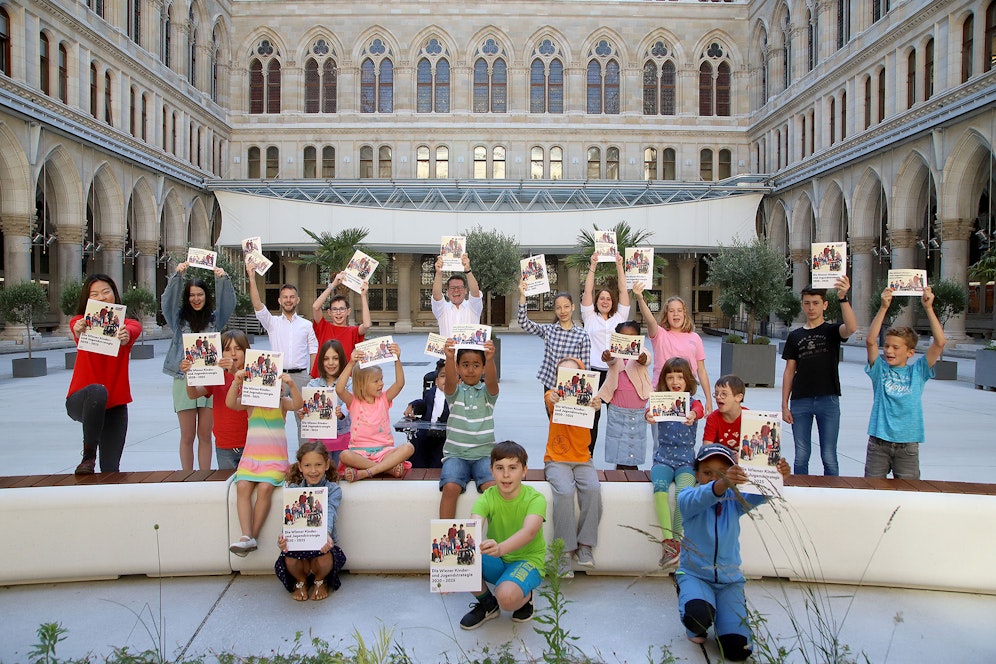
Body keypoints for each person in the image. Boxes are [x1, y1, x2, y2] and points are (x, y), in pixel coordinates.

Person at [676, 444, 791, 660]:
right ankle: (695, 624)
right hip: (696, 576)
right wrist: (722, 483)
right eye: (706, 473)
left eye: (721, 473)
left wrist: (779, 475)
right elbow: (699, 498)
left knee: (738, 650)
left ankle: (721, 616)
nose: (712, 478)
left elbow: (764, 492)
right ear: (696, 474)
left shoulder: (734, 502)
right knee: (699, 615)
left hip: (730, 582)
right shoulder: (688, 498)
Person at [458, 441, 546, 630]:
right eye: (500, 468)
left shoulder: (535, 498)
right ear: (491, 470)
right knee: (461, 557)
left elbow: (529, 532)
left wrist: (500, 548)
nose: (506, 475)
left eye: (513, 468)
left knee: (506, 597)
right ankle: (488, 605)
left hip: (526, 561)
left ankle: (526, 597)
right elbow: (471, 529)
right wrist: (448, 573)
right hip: (497, 559)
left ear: (524, 471)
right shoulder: (487, 497)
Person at [864, 286, 945, 480]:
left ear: (910, 352)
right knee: (871, 492)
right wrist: (884, 307)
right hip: (879, 443)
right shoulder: (880, 370)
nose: (889, 351)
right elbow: (870, 342)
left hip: (907, 445)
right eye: (887, 346)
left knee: (908, 494)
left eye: (895, 347)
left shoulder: (918, 371)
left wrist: (928, 308)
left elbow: (940, 343)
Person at [66, 275, 144, 474]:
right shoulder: (80, 322)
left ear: (114, 294)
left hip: (115, 406)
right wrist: (78, 329)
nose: (101, 297)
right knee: (97, 391)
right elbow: (76, 327)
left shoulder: (127, 325)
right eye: (95, 294)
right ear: (88, 299)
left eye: (105, 292)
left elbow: (134, 329)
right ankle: (88, 456)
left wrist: (126, 336)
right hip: (81, 400)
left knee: (111, 469)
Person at [162, 262, 236, 470]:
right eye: (192, 295)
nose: (196, 299)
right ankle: (187, 476)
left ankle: (204, 476)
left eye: (200, 294)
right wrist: (177, 276)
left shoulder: (214, 319)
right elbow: (167, 302)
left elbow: (228, 304)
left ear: (206, 296)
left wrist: (222, 279)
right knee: (187, 435)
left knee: (205, 434)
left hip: (209, 379)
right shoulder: (177, 319)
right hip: (182, 378)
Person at [225, 358, 303, 555]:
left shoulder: (282, 403)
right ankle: (246, 535)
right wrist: (236, 381)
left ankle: (252, 536)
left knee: (265, 488)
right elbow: (230, 403)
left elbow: (298, 403)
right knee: (242, 486)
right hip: (251, 459)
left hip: (274, 461)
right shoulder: (251, 403)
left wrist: (292, 383)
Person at [781, 278, 857, 476]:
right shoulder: (795, 335)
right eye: (807, 303)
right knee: (801, 454)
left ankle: (832, 494)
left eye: (815, 303)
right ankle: (800, 490)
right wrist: (784, 404)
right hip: (801, 400)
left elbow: (851, 328)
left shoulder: (832, 331)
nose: (811, 307)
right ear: (802, 305)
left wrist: (843, 298)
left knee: (829, 454)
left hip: (828, 398)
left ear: (824, 305)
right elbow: (789, 370)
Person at [544, 357, 603, 578]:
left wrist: (596, 406)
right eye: (563, 374)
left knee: (593, 490)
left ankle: (585, 545)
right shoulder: (552, 395)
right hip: (557, 458)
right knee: (565, 492)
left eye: (573, 374)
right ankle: (564, 552)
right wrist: (555, 396)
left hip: (583, 458)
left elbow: (596, 405)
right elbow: (550, 399)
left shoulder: (590, 398)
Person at [247, 261, 318, 442]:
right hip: (277, 378)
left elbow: (313, 351)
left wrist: (312, 376)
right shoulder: (272, 323)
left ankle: (305, 463)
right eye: (285, 297)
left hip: (302, 377)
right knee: (275, 421)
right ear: (279, 301)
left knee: (306, 422)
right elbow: (257, 305)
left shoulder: (306, 325)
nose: (288, 300)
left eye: (292, 297)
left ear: (297, 300)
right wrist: (252, 277)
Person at [646, 356, 706, 569]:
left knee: (683, 494)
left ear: (688, 379)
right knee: (660, 489)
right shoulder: (660, 400)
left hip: (686, 462)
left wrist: (692, 414)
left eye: (680, 377)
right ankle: (667, 542)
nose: (675, 382)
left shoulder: (692, 402)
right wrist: (650, 416)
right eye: (670, 377)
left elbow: (700, 410)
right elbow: (648, 412)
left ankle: (677, 540)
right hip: (663, 459)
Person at [275, 441, 347, 601]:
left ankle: (320, 580)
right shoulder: (293, 490)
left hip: (322, 545)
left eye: (318, 465)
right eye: (307, 465)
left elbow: (330, 512)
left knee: (324, 552)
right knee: (289, 554)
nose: (313, 471)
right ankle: (301, 581)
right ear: (300, 467)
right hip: (300, 544)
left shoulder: (333, 490)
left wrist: (326, 534)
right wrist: (283, 537)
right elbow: (290, 518)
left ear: (327, 465)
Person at [335, 342, 414, 481]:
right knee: (345, 455)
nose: (381, 383)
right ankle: (387, 469)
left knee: (409, 447)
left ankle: (366, 472)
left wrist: (397, 359)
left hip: (385, 451)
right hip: (359, 452)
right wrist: (351, 363)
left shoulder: (384, 398)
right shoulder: (354, 402)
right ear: (362, 384)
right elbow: (339, 389)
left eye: (381, 379)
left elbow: (399, 384)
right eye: (376, 381)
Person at [438, 339, 499, 519]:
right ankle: (445, 541)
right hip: (456, 455)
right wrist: (449, 358)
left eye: (476, 365)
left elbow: (492, 382)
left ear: (483, 368)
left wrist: (490, 359)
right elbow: (449, 381)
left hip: (484, 455)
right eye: (465, 365)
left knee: (493, 490)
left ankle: (497, 540)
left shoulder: (488, 394)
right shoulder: (454, 393)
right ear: (458, 367)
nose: (470, 370)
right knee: (450, 487)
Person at [632, 282, 713, 413]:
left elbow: (702, 371)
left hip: (686, 393)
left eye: (679, 310)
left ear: (684, 313)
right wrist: (640, 298)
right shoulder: (659, 334)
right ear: (666, 314)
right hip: (661, 392)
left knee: (684, 431)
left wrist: (708, 399)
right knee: (661, 433)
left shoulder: (695, 338)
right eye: (671, 311)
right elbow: (650, 320)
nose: (676, 314)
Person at [580, 252, 630, 453]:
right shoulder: (589, 317)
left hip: (615, 374)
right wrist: (593, 265)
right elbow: (587, 290)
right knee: (591, 418)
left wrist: (619, 265)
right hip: (593, 372)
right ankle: (587, 455)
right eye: (601, 298)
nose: (605, 300)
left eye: (608, 298)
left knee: (617, 417)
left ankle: (620, 458)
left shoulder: (620, 317)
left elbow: (624, 291)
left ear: (613, 301)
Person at [180, 330, 251, 470]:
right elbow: (193, 394)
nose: (233, 354)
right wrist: (190, 375)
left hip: (251, 443)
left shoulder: (252, 374)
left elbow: (254, 393)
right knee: (228, 486)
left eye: (238, 349)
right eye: (227, 349)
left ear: (246, 350)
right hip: (224, 445)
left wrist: (235, 371)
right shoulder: (217, 376)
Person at [517, 283, 591, 396]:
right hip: (550, 384)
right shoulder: (549, 330)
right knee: (551, 414)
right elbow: (523, 323)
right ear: (555, 310)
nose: (563, 311)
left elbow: (586, 367)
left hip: (571, 388)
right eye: (558, 308)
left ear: (573, 307)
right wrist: (523, 296)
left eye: (566, 306)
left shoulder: (582, 335)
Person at [596, 321, 652, 470]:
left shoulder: (642, 353)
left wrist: (642, 357)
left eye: (632, 336)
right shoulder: (614, 354)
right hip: (617, 408)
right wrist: (607, 356)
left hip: (638, 408)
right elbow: (610, 360)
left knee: (635, 443)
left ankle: (632, 470)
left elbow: (647, 358)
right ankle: (620, 469)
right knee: (618, 441)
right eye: (624, 336)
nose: (628, 340)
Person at [310, 274, 372, 377]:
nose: (338, 313)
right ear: (329, 312)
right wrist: (334, 284)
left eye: (342, 309)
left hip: (344, 379)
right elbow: (315, 307)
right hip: (322, 378)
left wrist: (363, 295)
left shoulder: (352, 331)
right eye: (335, 309)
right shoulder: (324, 327)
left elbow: (366, 324)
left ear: (348, 311)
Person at [302, 340, 351, 467]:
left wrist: (342, 413)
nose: (330, 363)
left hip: (343, 437)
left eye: (335, 358)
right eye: (326, 359)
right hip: (319, 441)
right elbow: (308, 409)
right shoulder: (313, 384)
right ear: (321, 362)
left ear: (341, 360)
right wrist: (303, 414)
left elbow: (352, 404)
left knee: (341, 476)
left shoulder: (350, 383)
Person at [403, 358, 449, 468]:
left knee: (439, 451)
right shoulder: (432, 392)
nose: (447, 380)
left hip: (446, 432)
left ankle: (434, 469)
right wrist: (412, 405)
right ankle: (416, 468)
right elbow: (424, 403)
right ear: (437, 381)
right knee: (416, 440)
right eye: (443, 376)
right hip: (428, 428)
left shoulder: (458, 396)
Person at [432, 253, 482, 339]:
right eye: (452, 288)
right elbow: (436, 296)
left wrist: (468, 271)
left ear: (466, 290)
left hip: (469, 352)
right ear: (447, 292)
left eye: (459, 287)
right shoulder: (442, 309)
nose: (456, 290)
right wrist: (439, 273)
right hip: (448, 352)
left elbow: (476, 294)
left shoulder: (473, 307)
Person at [702, 375, 748, 452]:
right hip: (720, 460)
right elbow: (707, 449)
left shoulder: (749, 417)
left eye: (724, 394)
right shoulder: (713, 418)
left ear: (738, 397)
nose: (718, 397)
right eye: (716, 394)